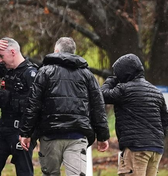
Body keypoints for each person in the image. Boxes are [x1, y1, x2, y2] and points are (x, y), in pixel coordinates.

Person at [18, 37, 110, 176]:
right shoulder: (87, 74)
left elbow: (33, 104)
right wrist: (102, 136)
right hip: (77, 135)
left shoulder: (44, 72)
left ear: (56, 51)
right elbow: (98, 106)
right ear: (74, 52)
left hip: (50, 135)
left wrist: (26, 133)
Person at [101, 54, 168, 176]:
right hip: (156, 148)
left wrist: (111, 80)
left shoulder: (124, 89)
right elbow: (165, 120)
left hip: (136, 147)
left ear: (124, 74)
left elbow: (102, 94)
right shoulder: (156, 92)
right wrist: (155, 138)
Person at [0, 38, 38, 176]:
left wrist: (28, 133)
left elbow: (37, 107)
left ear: (12, 52)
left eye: (1, 56)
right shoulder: (6, 70)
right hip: (3, 127)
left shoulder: (31, 74)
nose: (0, 60)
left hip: (21, 130)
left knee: (24, 171)